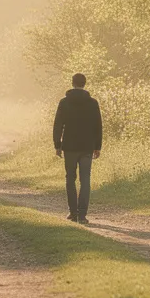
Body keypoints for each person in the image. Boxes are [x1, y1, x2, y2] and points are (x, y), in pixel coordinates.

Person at [52, 73, 102, 224]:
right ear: (84, 84)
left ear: (72, 83)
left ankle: (73, 212)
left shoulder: (64, 102)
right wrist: (97, 146)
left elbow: (58, 125)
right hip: (87, 146)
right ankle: (82, 215)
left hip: (70, 146)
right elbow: (98, 126)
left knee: (70, 178)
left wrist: (57, 145)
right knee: (85, 179)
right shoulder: (93, 103)